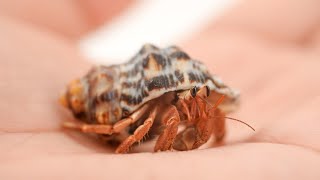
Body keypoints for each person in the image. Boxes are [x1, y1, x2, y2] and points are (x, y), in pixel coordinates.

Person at [0, 0, 319, 179]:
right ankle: (86, 126)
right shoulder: (162, 106)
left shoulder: (195, 99)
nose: (196, 107)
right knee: (153, 120)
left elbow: (204, 106)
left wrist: (217, 134)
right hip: (142, 106)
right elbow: (147, 119)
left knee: (198, 105)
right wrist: (125, 148)